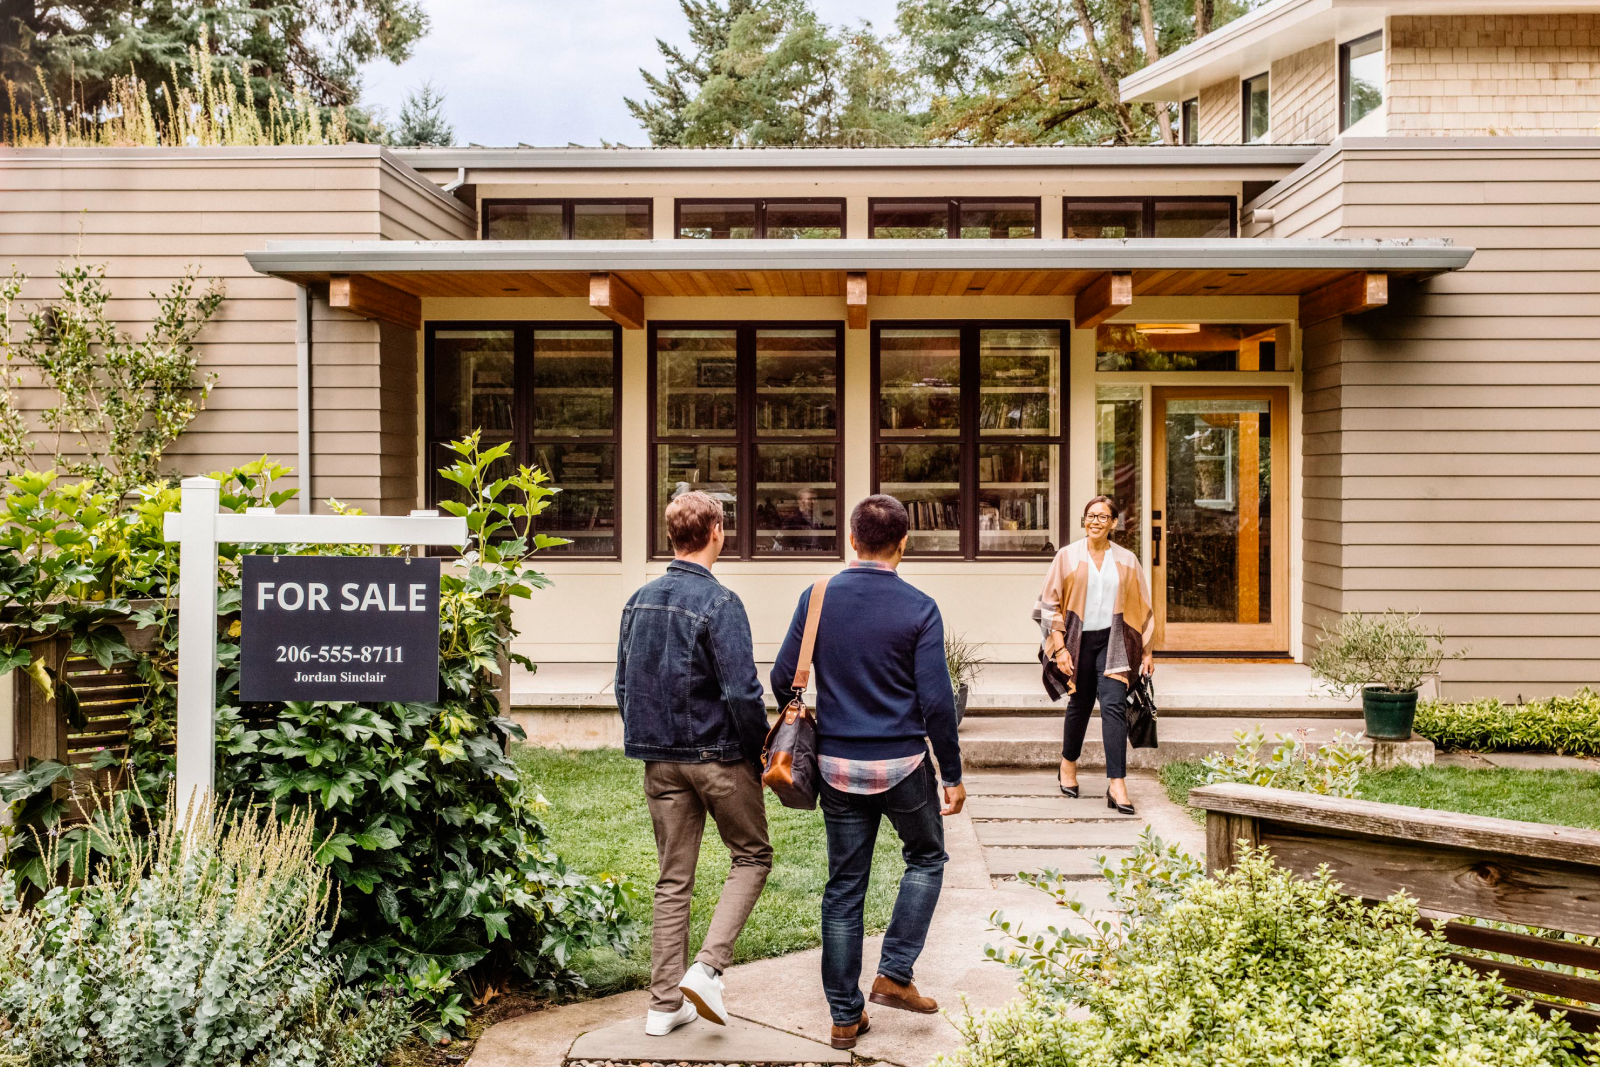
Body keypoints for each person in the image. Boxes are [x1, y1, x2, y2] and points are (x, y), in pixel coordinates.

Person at [771, 494, 966, 1052]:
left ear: (851, 541)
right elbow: (937, 701)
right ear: (904, 545)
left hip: (834, 767)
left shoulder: (817, 597)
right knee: (927, 857)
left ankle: (843, 1017)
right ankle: (895, 972)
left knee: (844, 887)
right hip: (904, 766)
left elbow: (785, 679)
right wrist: (950, 774)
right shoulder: (920, 606)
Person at [615, 491, 774, 1037]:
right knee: (752, 856)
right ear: (717, 533)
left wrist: (648, 742)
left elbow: (623, 685)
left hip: (659, 760)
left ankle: (663, 1006)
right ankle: (707, 970)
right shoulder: (721, 604)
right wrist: (760, 751)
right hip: (719, 757)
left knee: (671, 880)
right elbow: (742, 692)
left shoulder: (637, 601)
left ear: (671, 536)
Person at [1031, 495, 1154, 815]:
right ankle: (1068, 764)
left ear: (1114, 523)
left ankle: (1117, 784)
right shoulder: (1067, 556)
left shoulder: (1127, 560)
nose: (1095, 522)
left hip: (1114, 641)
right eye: (1090, 516)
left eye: (1103, 517)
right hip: (1076, 641)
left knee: (1113, 704)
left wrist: (1147, 651)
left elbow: (1142, 606)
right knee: (1080, 704)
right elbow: (1049, 603)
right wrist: (1059, 648)